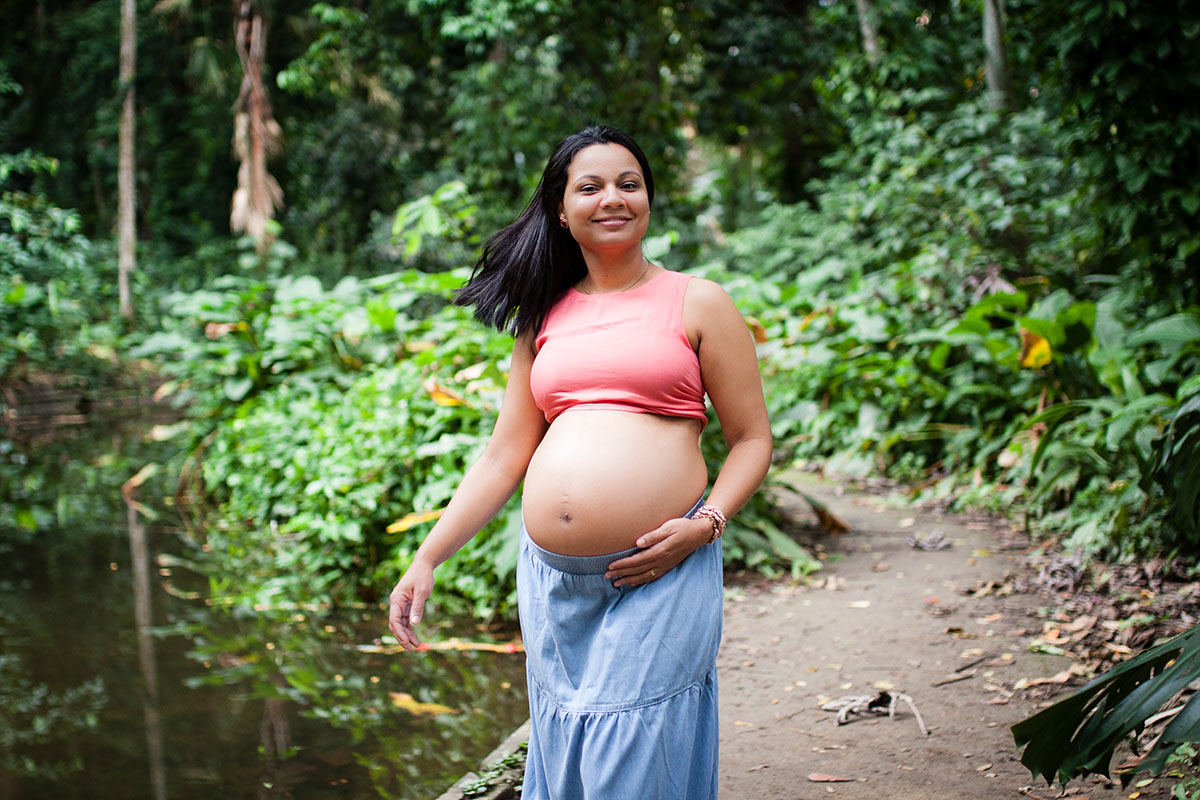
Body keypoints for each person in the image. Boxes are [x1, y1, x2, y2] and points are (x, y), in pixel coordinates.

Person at [387, 124, 771, 799]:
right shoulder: (544, 317)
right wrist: (428, 556)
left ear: (649, 197)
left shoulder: (697, 300)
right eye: (589, 186)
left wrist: (706, 521)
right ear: (561, 211)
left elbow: (751, 439)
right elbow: (506, 454)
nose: (612, 197)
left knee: (631, 760)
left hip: (662, 570)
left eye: (629, 182)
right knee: (568, 761)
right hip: (555, 586)